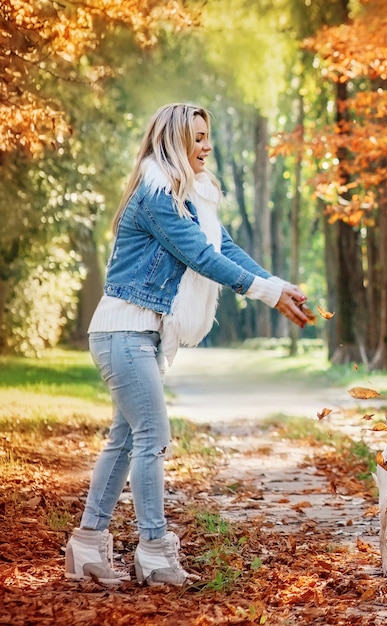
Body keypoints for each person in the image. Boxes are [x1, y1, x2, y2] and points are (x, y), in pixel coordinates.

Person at [64, 103, 309, 586]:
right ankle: (154, 551)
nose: (207, 147)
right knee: (153, 436)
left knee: (127, 439)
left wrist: (276, 286)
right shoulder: (157, 194)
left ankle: (87, 545)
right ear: (173, 142)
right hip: (122, 331)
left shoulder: (192, 196)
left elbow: (223, 249)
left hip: (139, 332)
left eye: (207, 136)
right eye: (197, 138)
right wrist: (266, 292)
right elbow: (198, 256)